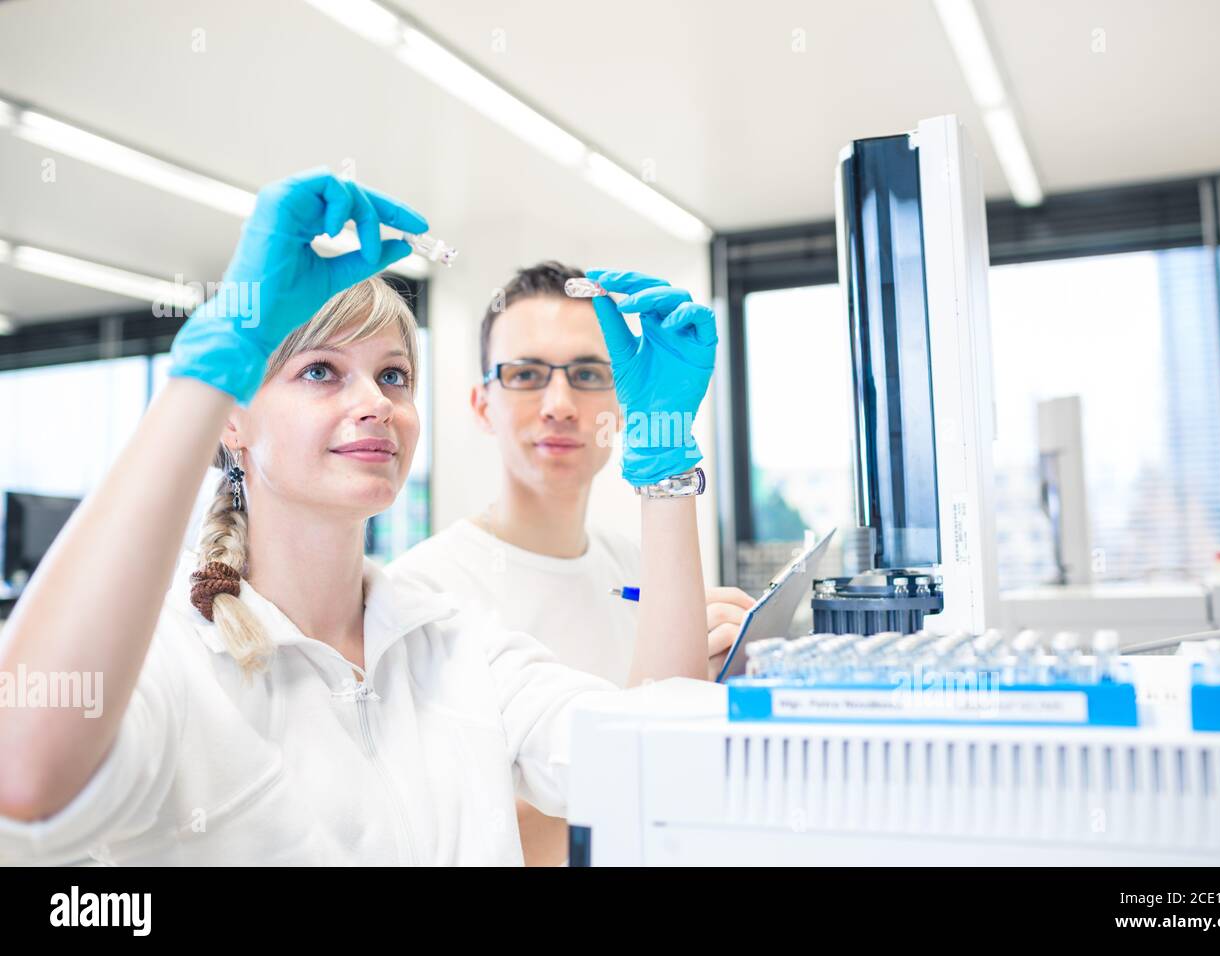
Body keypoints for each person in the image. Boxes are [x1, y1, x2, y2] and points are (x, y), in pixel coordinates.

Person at [0, 168, 717, 865]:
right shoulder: (176, 660)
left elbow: (650, 764)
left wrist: (664, 472)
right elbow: (23, 771)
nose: (375, 401)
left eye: (394, 375)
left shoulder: (456, 645)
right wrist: (205, 377)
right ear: (235, 421)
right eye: (320, 372)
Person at [387, 261, 754, 865]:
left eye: (587, 373)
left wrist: (710, 682)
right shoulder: (423, 593)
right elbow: (473, 832)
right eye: (526, 374)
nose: (559, 404)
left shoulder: (634, 561)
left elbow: (672, 772)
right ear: (482, 404)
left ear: (624, 393)